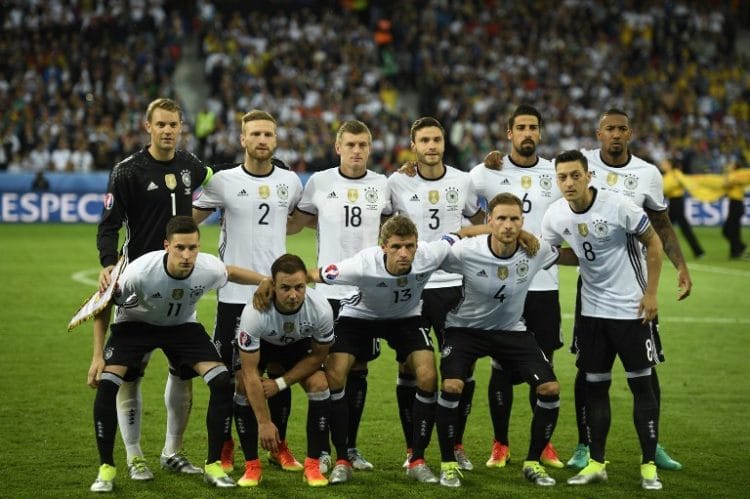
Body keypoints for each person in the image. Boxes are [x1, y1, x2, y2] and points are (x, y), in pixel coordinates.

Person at [91, 97, 222, 480]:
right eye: (160, 124)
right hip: (139, 282)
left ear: (181, 127)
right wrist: (107, 264)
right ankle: (134, 455)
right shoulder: (127, 171)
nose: (167, 130)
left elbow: (220, 178)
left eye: (174, 124)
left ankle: (172, 451)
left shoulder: (190, 165)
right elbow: (109, 224)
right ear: (148, 127)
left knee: (183, 371)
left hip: (180, 277)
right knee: (131, 371)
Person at [89, 216, 271, 492]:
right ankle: (109, 468)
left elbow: (230, 272)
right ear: (167, 246)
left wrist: (264, 280)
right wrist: (97, 356)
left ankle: (212, 465)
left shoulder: (207, 267)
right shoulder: (140, 272)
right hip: (135, 325)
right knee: (108, 384)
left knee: (222, 381)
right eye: (180, 248)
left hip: (181, 326)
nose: (187, 255)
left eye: (193, 248)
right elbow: (101, 304)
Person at [307, 215, 493, 484]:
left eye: (409, 246)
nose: (404, 253)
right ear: (383, 246)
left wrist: (501, 229)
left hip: (406, 319)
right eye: (396, 247)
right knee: (335, 375)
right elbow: (314, 274)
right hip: (359, 317)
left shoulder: (430, 254)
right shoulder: (362, 264)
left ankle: (416, 459)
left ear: (417, 245)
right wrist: (271, 283)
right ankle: (341, 459)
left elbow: (460, 233)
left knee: (428, 375)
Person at [568, 109, 690, 471]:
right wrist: (495, 162)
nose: (616, 135)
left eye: (622, 129)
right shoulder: (583, 164)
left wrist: (681, 265)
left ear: (630, 133)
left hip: (637, 286)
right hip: (592, 284)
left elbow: (662, 226)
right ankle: (583, 444)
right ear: (599, 133)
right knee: (587, 369)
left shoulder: (648, 174)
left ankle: (652, 446)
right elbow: (538, 168)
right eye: (610, 129)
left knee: (646, 369)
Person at [542, 150, 665, 490]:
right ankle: (597, 462)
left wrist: (651, 293)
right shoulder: (554, 215)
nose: (569, 182)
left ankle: (649, 465)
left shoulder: (619, 207)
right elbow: (555, 253)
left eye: (575, 175)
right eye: (563, 177)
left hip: (631, 310)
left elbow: (653, 243)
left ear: (588, 176)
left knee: (642, 386)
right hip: (593, 314)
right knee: (596, 388)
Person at [192, 110, 304, 477]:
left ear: (276, 140)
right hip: (234, 296)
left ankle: (279, 445)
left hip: (278, 295)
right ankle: (226, 446)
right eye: (254, 133)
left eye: (268, 134)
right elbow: (188, 219)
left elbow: (303, 219)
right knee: (230, 378)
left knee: (278, 373)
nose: (261, 140)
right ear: (242, 139)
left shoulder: (291, 182)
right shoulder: (222, 181)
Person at [436, 193, 571, 488]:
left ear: (522, 222)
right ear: (489, 222)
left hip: (511, 330)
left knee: (549, 388)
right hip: (465, 329)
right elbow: (440, 250)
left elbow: (563, 254)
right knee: (451, 386)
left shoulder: (536, 250)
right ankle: (448, 464)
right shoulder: (467, 251)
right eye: (501, 219)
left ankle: (533, 462)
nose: (508, 225)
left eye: (514, 219)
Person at [288, 120, 393, 473]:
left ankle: (349, 446)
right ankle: (325, 449)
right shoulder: (319, 181)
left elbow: (392, 231)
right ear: (338, 147)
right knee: (331, 373)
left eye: (363, 144)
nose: (357, 150)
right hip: (328, 294)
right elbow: (295, 223)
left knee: (359, 369)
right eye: (350, 144)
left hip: (367, 294)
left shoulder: (383, 185)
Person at [469, 105, 564, 470]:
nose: (528, 133)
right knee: (500, 366)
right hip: (501, 285)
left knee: (546, 364)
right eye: (521, 127)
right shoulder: (487, 172)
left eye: (533, 127)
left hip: (543, 284)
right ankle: (500, 443)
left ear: (540, 133)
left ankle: (544, 445)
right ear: (509, 133)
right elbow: (460, 203)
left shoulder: (555, 174)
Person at [388, 116, 484, 470]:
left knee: (461, 367)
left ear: (445, 143)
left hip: (455, 287)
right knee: (409, 367)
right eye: (424, 140)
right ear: (413, 145)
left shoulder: (463, 180)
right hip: (411, 288)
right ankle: (413, 447)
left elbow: (479, 221)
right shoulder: (396, 182)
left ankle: (456, 443)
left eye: (437, 140)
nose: (431, 146)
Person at [235, 254, 335, 487]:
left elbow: (320, 355)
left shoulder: (320, 309)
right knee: (241, 385)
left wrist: (280, 382)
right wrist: (264, 422)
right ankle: (252, 466)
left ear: (306, 285)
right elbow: (250, 374)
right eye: (285, 288)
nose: (293, 295)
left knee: (320, 384)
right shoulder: (255, 312)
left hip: (297, 346)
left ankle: (312, 465)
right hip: (265, 345)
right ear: (273, 285)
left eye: (299, 287)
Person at [659, 159, 705, 259]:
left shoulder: (675, 173)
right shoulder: (668, 175)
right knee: (680, 229)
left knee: (665, 228)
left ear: (670, 165)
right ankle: (698, 251)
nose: (662, 165)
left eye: (664, 163)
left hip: (677, 203)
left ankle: (698, 251)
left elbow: (683, 182)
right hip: (674, 202)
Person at [722, 160, 748, 259]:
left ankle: (739, 247)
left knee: (727, 230)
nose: (729, 165)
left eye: (731, 164)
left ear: (735, 166)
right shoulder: (734, 175)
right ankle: (735, 252)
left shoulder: (736, 175)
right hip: (734, 204)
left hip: (736, 204)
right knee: (734, 230)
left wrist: (726, 173)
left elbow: (726, 184)